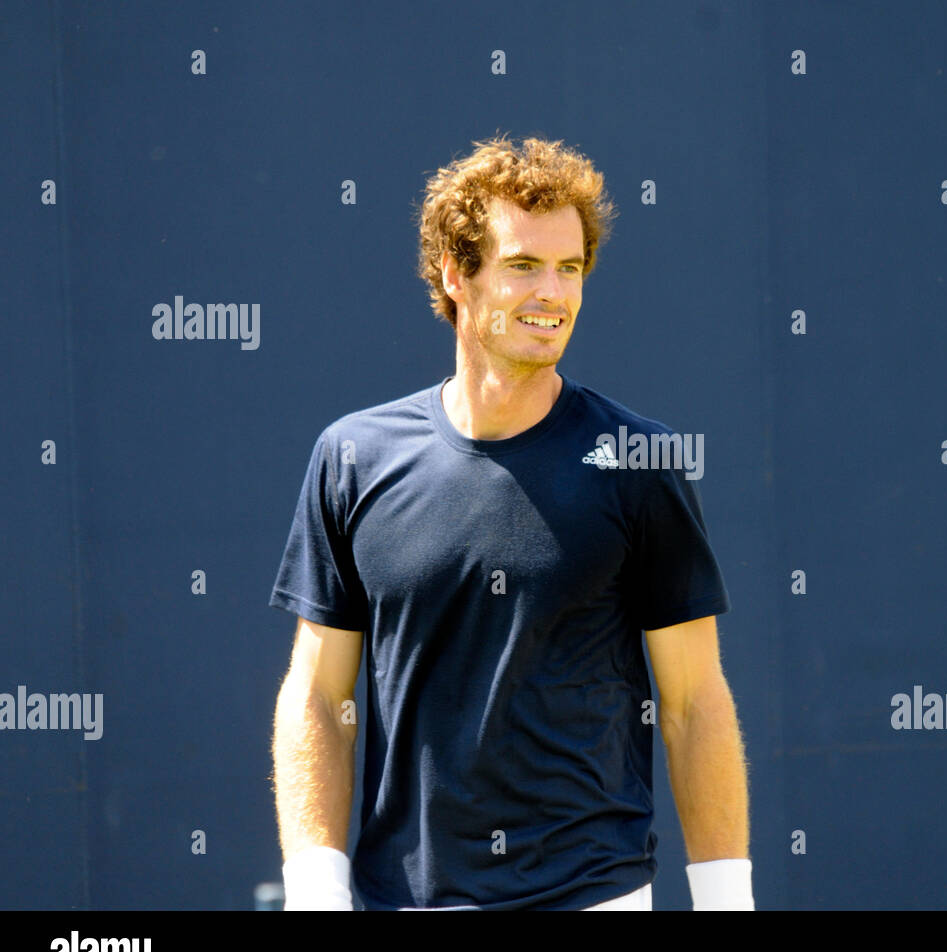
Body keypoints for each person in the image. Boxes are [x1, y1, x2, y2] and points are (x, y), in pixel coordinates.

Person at [268, 134, 752, 910]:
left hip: (594, 893)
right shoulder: (351, 458)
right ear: (457, 275)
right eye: (524, 265)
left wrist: (729, 901)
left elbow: (695, 701)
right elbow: (320, 695)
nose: (553, 293)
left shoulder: (640, 461)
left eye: (570, 268)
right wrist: (315, 889)